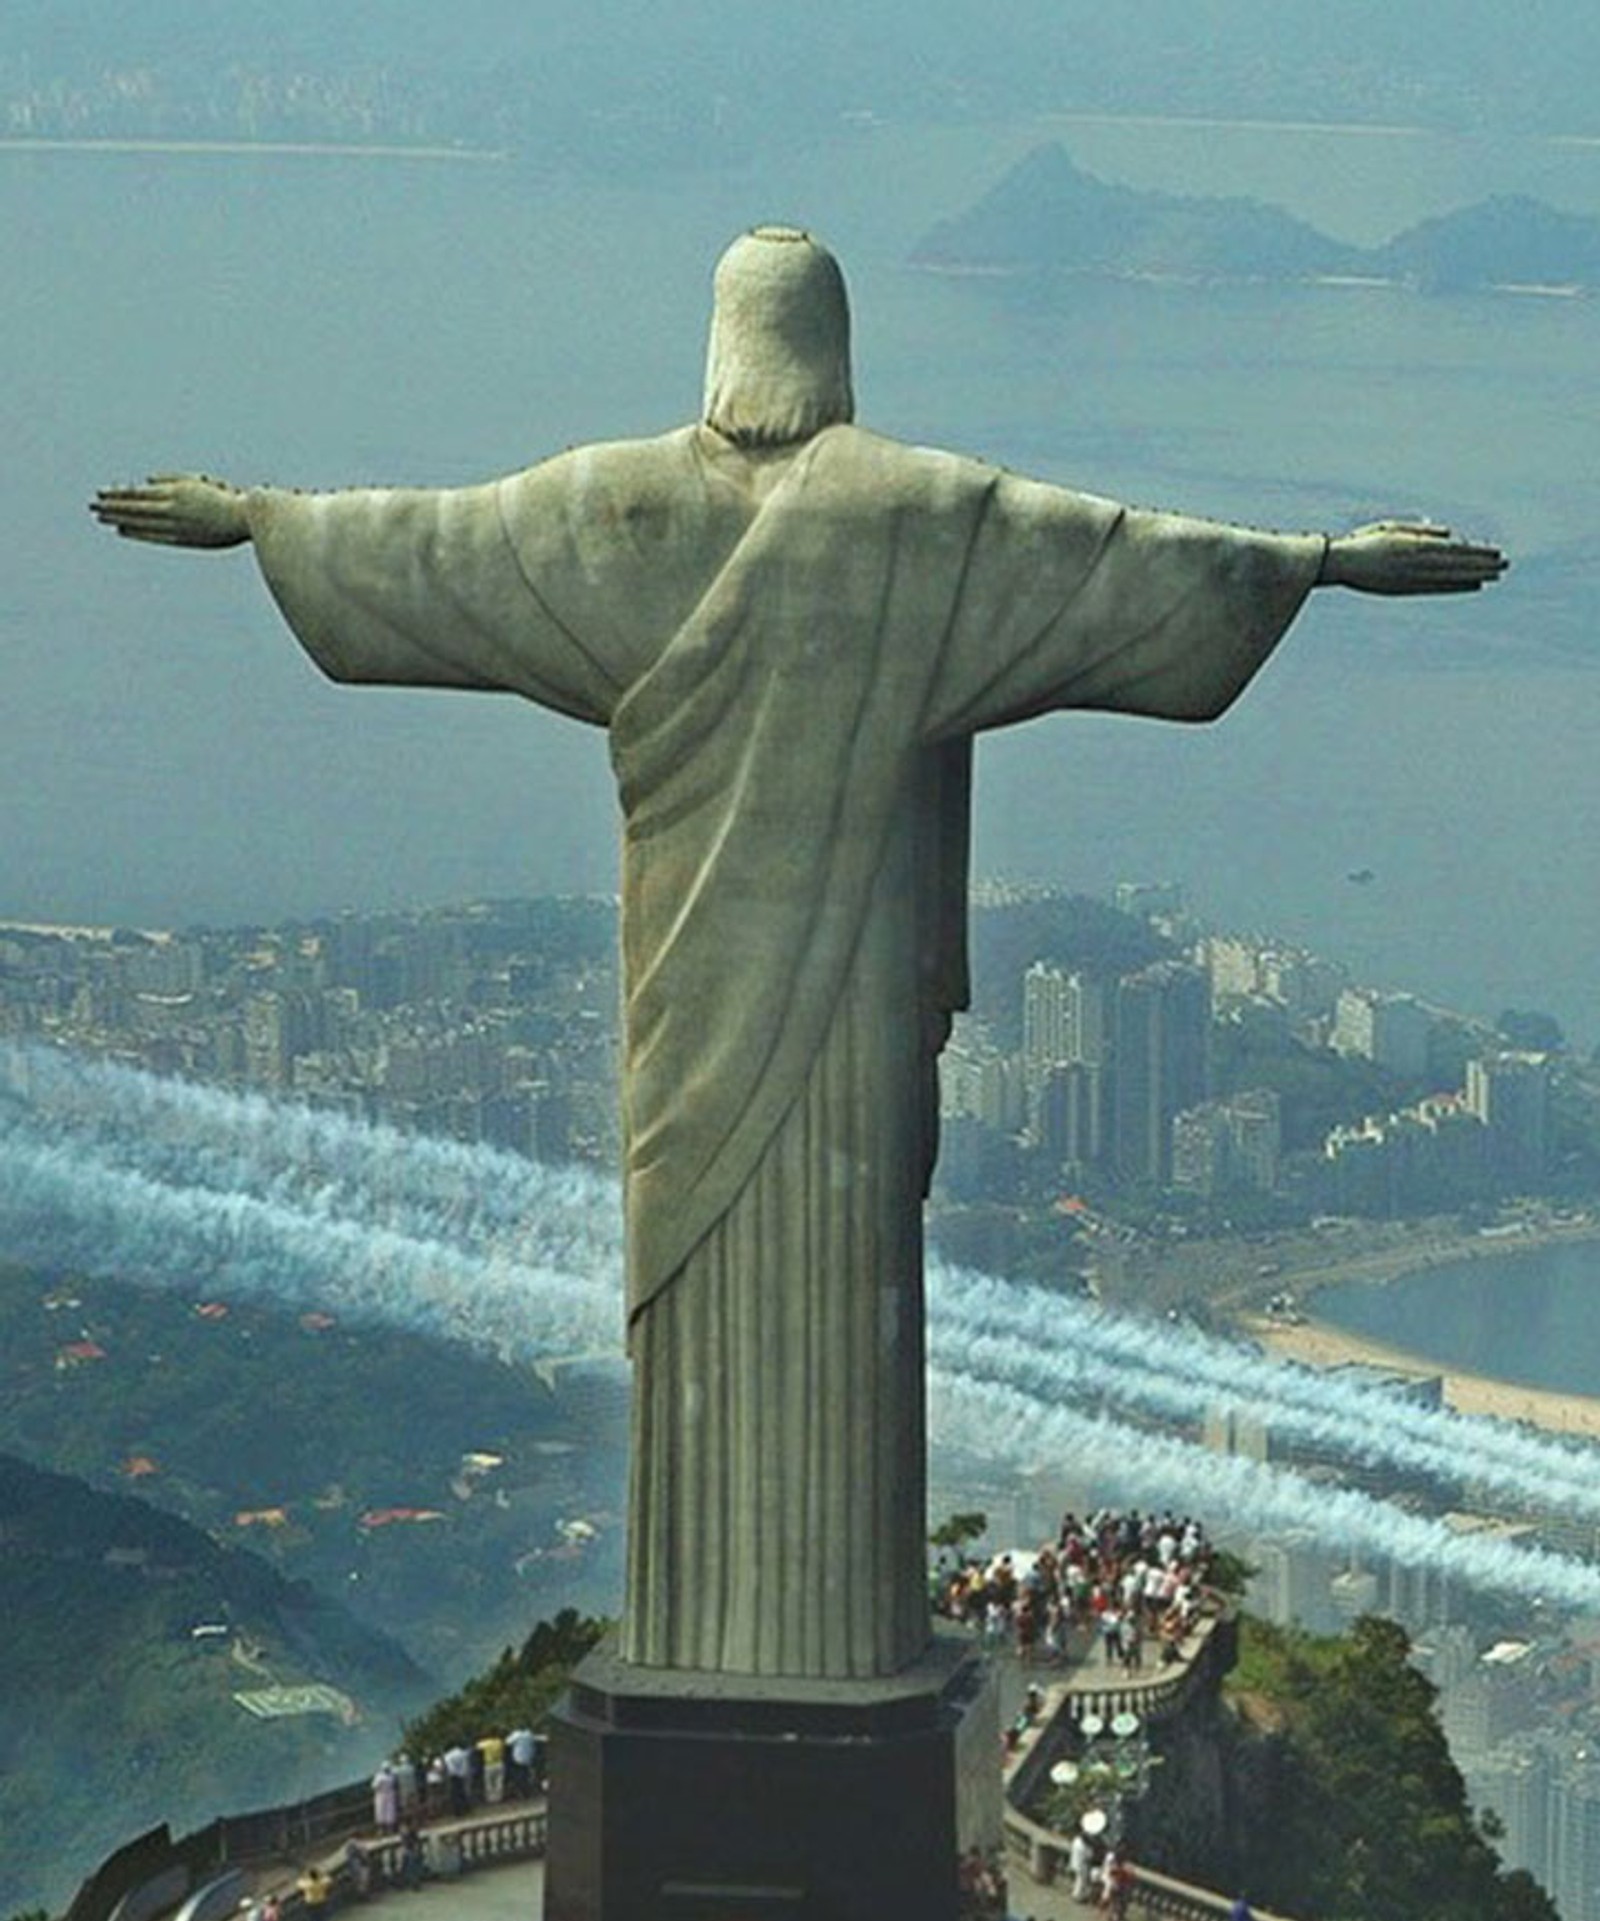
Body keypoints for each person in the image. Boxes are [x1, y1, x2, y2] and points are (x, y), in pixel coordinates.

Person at [94, 231, 1503, 1689]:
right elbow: (1132, 563)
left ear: (721, 341)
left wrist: (261, 517)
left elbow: (429, 544)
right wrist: (1326, 563)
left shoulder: (608, 509)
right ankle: (829, 1645)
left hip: (684, 1017)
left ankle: (703, 1646)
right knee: (849, 1314)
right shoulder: (920, 518)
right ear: (835, 348)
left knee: (700, 1309)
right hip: (849, 1028)